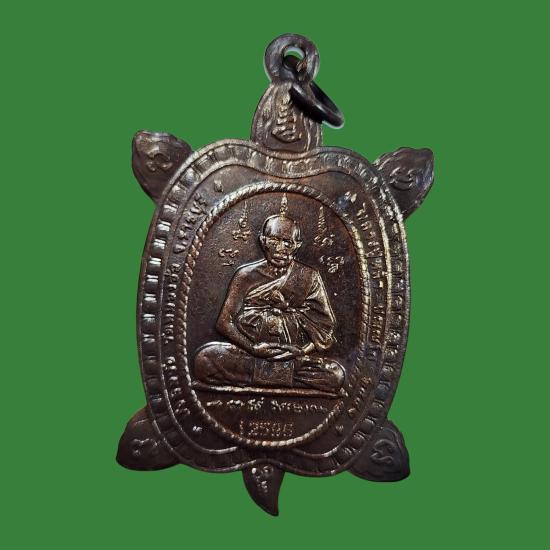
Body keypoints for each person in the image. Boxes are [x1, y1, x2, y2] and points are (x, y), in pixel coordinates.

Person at [194, 197, 345, 393]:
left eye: (287, 242)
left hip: (291, 356)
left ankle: (258, 376)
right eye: (274, 240)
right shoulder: (246, 275)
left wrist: (300, 350)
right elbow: (224, 322)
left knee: (336, 375)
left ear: (297, 245)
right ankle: (279, 377)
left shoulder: (308, 277)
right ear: (263, 241)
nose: (281, 249)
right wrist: (253, 348)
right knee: (204, 359)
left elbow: (325, 328)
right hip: (250, 353)